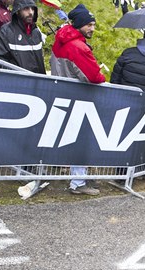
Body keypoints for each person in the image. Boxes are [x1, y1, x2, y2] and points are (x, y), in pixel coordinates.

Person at [50, 3, 105, 196]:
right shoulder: (78, 47)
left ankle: (78, 177)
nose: (93, 28)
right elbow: (94, 76)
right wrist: (101, 75)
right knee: (80, 140)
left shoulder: (61, 40)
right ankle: (78, 182)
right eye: (89, 24)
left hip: (63, 94)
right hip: (78, 98)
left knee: (70, 138)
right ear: (80, 24)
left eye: (94, 24)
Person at [0, 0, 46, 74]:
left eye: (32, 9)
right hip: (17, 82)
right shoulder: (5, 32)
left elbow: (40, 63)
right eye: (26, 9)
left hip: (36, 82)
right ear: (17, 11)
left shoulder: (36, 32)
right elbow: (0, 61)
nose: (31, 12)